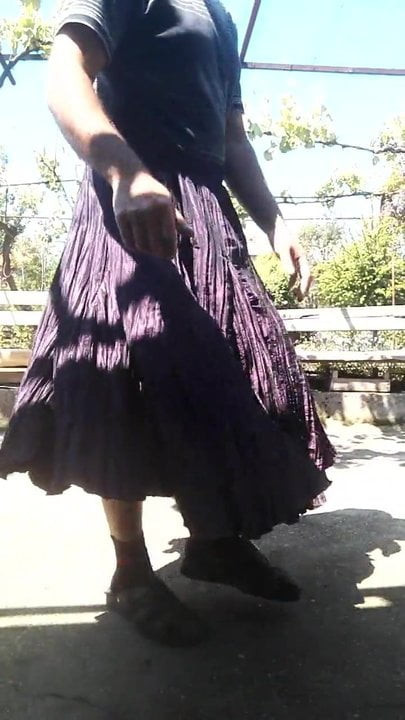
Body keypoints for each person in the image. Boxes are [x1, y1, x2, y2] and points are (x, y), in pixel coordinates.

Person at [0, 0, 335, 646]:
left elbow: (231, 139)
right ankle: (130, 571)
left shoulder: (220, 18)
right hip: (132, 204)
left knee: (239, 375)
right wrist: (125, 172)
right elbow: (64, 72)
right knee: (126, 379)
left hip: (207, 212)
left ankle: (214, 542)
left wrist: (275, 222)